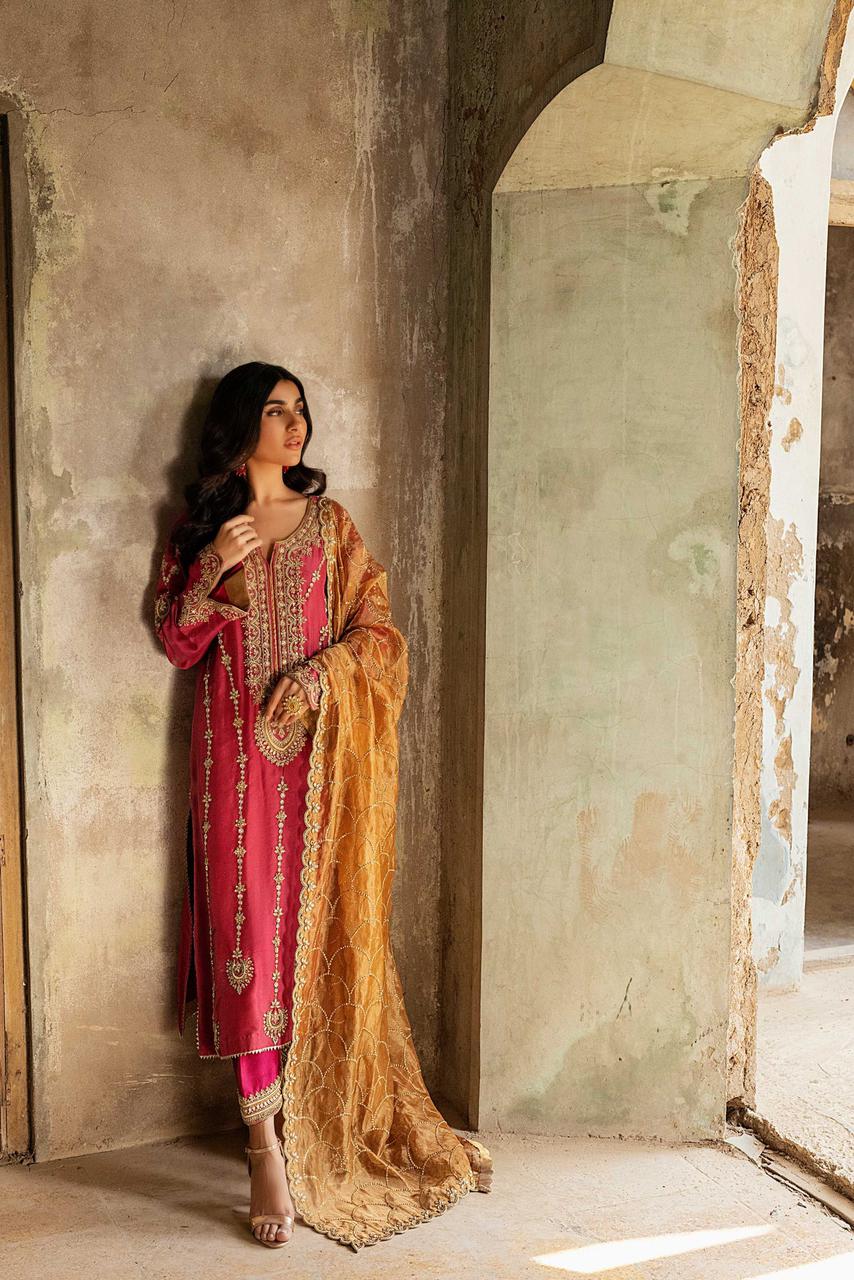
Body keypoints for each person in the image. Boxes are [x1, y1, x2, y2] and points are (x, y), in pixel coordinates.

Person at [152, 362, 492, 1252]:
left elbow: (379, 634)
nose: (295, 423)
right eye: (276, 411)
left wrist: (316, 676)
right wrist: (215, 566)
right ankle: (262, 1143)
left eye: (300, 409)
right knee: (247, 944)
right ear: (241, 427)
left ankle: (315, 1118)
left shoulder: (332, 526)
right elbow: (178, 643)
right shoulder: (204, 532)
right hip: (233, 766)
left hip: (323, 767)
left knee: (317, 937)